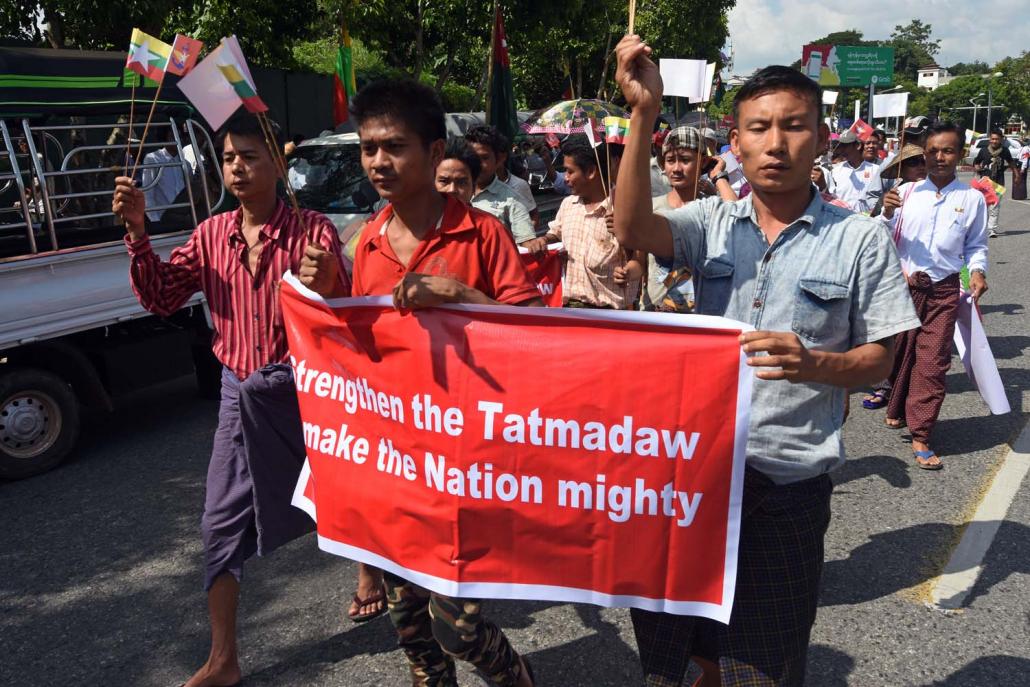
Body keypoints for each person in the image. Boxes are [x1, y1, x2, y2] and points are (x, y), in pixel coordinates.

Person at [612, 36, 919, 686]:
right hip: (687, 483)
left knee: (764, 666)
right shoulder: (709, 222)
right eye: (759, 128)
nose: (776, 144)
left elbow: (880, 361)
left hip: (786, 493)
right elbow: (634, 229)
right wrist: (643, 113)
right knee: (674, 655)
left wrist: (817, 365)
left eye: (793, 126)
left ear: (821, 136)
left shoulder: (859, 239)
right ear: (738, 142)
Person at [111, 113, 348, 687]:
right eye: (229, 158)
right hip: (238, 393)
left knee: (345, 494)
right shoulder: (210, 234)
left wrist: (330, 280)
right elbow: (163, 297)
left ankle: (372, 578)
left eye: (250, 156)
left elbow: (344, 302)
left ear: (278, 163)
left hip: (306, 391)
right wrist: (139, 235)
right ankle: (223, 659)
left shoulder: (313, 230)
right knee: (219, 520)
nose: (238, 167)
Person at [343, 78, 540, 687]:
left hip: (469, 458)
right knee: (412, 632)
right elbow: (356, 365)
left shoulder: (484, 235)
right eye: (369, 146)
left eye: (394, 146)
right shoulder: (366, 243)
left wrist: (461, 295)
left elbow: (540, 339)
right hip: (398, 464)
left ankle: (513, 674)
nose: (379, 160)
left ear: (433, 155)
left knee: (456, 627)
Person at [880, 121, 988, 469]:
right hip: (903, 287)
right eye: (932, 151)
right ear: (924, 154)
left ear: (961, 154)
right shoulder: (906, 192)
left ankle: (922, 433)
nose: (939, 157)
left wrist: (978, 272)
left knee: (932, 363)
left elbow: (975, 245)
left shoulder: (971, 199)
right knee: (897, 356)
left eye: (947, 151)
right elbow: (880, 237)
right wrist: (885, 212)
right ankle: (896, 406)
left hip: (942, 290)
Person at [537, 136, 642, 309]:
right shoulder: (568, 205)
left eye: (570, 171)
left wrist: (627, 268)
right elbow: (555, 233)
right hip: (570, 313)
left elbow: (639, 262)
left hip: (611, 316)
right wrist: (543, 241)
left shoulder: (624, 210)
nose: (565, 178)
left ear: (591, 172)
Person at [643, 126, 736, 312]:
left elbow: (735, 215)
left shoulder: (711, 209)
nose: (676, 168)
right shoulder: (652, 208)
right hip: (656, 315)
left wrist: (718, 176)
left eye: (685, 160)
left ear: (702, 162)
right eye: (670, 160)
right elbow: (639, 264)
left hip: (699, 317)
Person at [465, 125, 537, 245]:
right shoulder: (451, 192)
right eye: (472, 157)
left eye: (484, 157)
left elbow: (527, 242)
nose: (477, 164)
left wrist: (533, 244)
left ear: (499, 159)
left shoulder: (512, 200)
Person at [974, 128, 1022, 237]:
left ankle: (992, 230)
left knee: (994, 207)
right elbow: (976, 162)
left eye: (997, 139)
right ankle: (980, 229)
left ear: (1001, 139)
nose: (994, 141)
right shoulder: (983, 151)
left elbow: (1011, 162)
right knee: (983, 207)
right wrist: (977, 168)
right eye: (992, 139)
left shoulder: (1005, 150)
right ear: (990, 139)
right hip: (984, 182)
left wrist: (1017, 175)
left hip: (999, 182)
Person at [830, 130, 879, 213]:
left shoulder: (875, 170)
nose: (842, 150)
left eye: (845, 146)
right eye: (840, 146)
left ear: (858, 145)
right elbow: (831, 197)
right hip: (842, 221)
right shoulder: (835, 171)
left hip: (867, 222)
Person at [140, 137, 186, 221]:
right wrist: (156, 221)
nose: (180, 139)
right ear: (167, 136)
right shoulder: (153, 159)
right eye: (174, 135)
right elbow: (147, 195)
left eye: (180, 135)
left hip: (184, 219)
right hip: (163, 220)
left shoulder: (185, 163)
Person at [435, 137, 480, 204]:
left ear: (473, 188)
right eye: (444, 181)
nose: (452, 190)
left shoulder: (484, 215)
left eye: (461, 183)